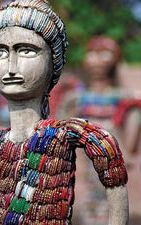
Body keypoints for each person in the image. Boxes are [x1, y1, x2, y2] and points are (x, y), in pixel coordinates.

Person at [0, 1, 129, 224]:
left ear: (53, 61)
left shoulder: (64, 135)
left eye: (26, 50)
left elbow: (110, 164)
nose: (11, 66)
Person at [58, 36, 141, 224]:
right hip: (82, 171)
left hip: (113, 163)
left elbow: (130, 146)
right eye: (93, 53)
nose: (97, 60)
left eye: (105, 53)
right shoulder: (74, 99)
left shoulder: (125, 99)